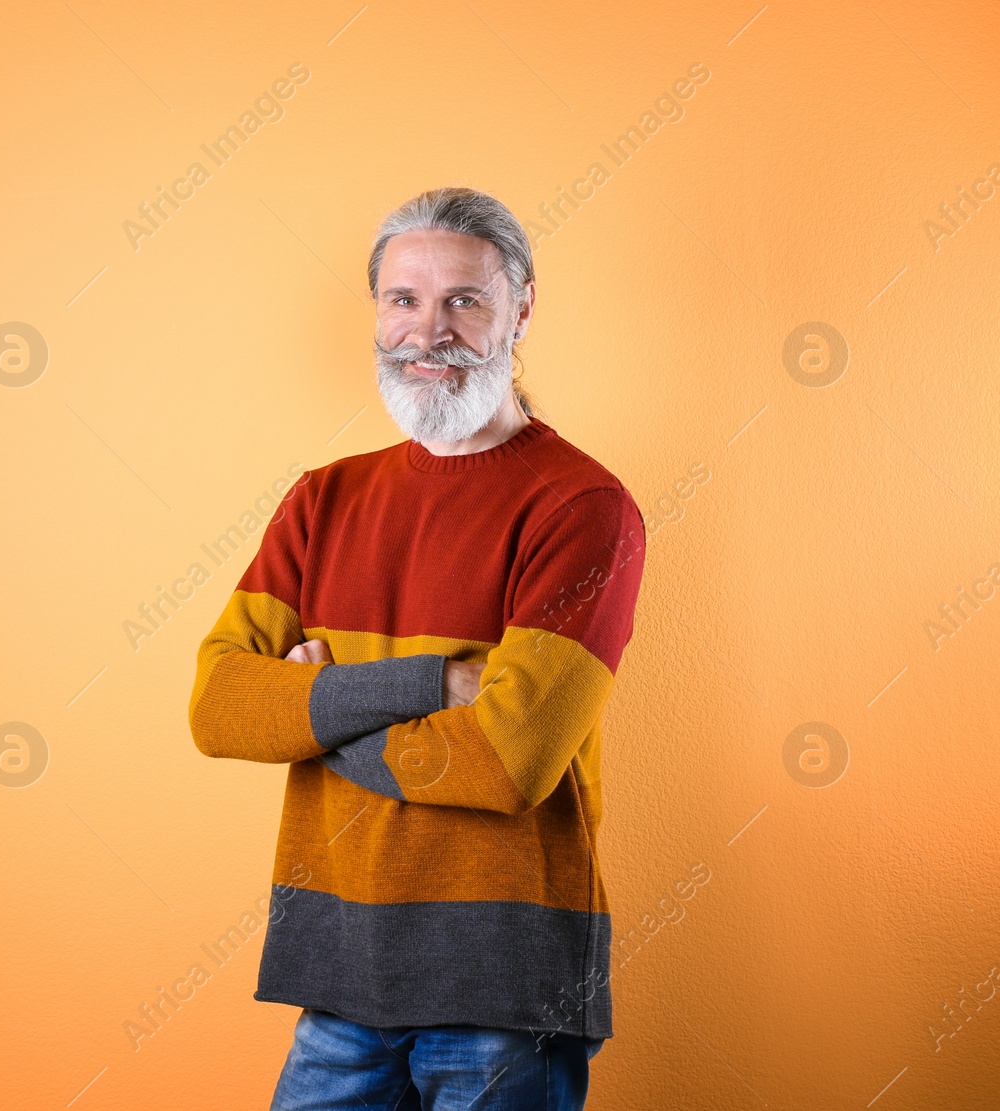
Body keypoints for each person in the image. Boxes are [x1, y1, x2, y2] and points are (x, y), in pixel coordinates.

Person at [187, 186, 648, 1110]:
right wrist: (433, 679)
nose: (427, 329)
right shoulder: (322, 500)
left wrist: (315, 712)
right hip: (336, 971)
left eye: (463, 301)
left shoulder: (584, 509)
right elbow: (217, 707)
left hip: (504, 988)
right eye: (403, 300)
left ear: (521, 310)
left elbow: (505, 761)